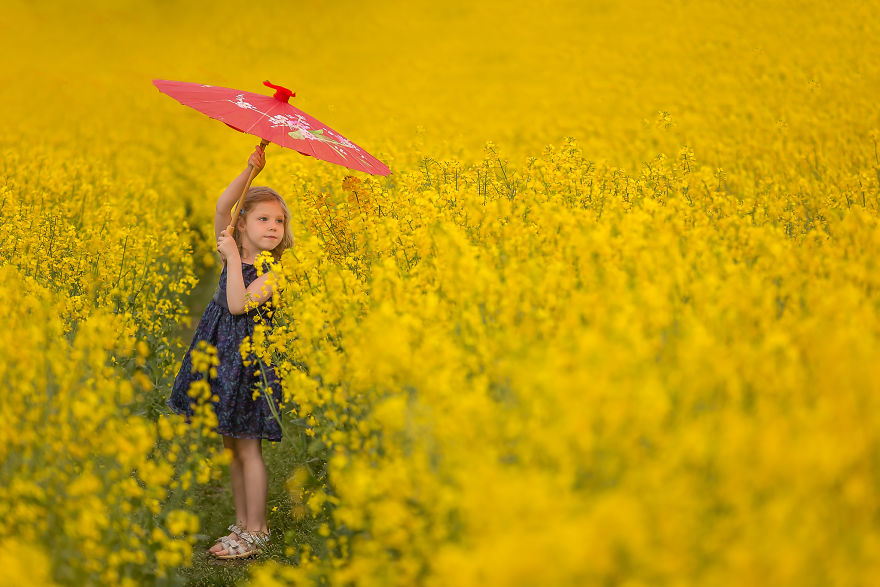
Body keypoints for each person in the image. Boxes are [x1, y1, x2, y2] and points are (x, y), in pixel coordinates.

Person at [167, 144, 293, 560]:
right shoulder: (231, 248)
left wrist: (234, 256)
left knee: (249, 446)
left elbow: (238, 304)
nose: (273, 226)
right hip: (221, 355)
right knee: (232, 444)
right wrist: (249, 169)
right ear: (241, 225)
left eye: (279, 220)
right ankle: (241, 524)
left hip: (251, 364)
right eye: (262, 218)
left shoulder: (273, 273)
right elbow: (223, 204)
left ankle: (257, 531)